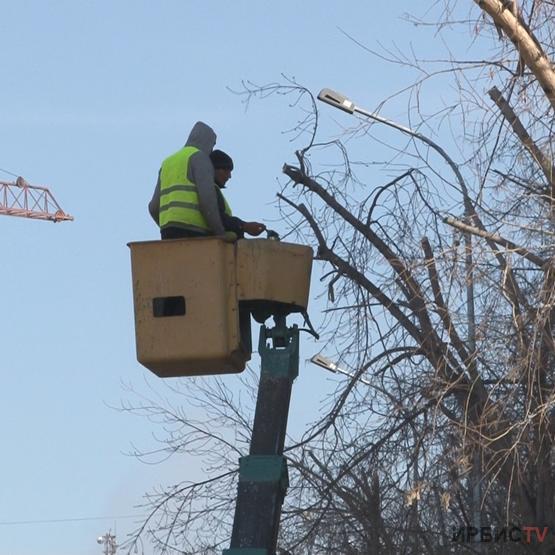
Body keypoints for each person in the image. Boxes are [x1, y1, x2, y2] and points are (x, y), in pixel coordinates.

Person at [148, 121, 226, 239]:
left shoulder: (167, 163)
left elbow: (153, 207)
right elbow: (207, 201)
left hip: (167, 233)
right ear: (207, 141)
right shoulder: (200, 159)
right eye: (212, 145)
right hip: (194, 232)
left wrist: (166, 226)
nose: (211, 150)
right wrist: (220, 233)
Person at [209, 149, 266, 239]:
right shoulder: (209, 189)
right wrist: (244, 226)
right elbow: (218, 218)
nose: (229, 176)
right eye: (226, 170)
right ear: (213, 169)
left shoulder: (212, 189)